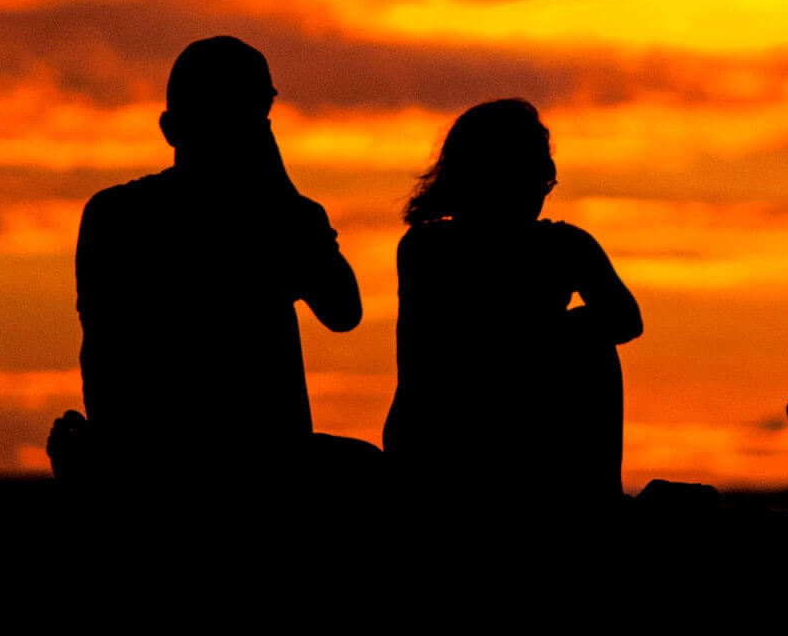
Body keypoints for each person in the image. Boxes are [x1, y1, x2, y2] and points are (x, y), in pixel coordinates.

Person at [52, 36, 376, 509]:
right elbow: (344, 311)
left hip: (154, 469)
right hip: (226, 472)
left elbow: (344, 311)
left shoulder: (116, 215)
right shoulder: (275, 218)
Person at [382, 99, 642, 521]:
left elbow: (627, 320)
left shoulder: (562, 246)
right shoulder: (430, 249)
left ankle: (592, 497)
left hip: (492, 437)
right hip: (449, 443)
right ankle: (592, 501)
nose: (540, 191)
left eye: (543, 181)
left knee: (593, 342)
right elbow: (469, 350)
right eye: (531, 177)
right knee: (590, 345)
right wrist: (560, 330)